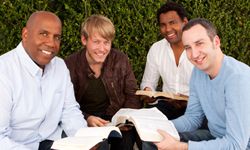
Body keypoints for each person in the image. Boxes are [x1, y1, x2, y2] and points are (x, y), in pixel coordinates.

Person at [155, 18, 250, 149]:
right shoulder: (198, 73)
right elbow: (193, 118)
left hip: (240, 146)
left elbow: (236, 145)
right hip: (215, 137)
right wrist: (159, 125)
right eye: (188, 47)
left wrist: (182, 147)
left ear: (216, 42)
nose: (194, 54)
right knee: (156, 139)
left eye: (199, 43)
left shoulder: (238, 78)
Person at [0, 11, 87, 150]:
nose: (51, 43)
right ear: (25, 34)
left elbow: (69, 111)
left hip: (51, 141)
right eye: (44, 34)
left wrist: (85, 141)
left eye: (57, 37)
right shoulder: (4, 71)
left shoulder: (59, 66)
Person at [64, 14, 142, 150]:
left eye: (106, 43)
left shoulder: (120, 59)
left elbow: (132, 93)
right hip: (86, 119)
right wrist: (86, 118)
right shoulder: (70, 64)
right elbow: (65, 105)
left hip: (116, 118)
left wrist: (125, 119)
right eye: (96, 42)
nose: (102, 49)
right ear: (84, 40)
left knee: (125, 143)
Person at [140, 1, 193, 119]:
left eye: (172, 23)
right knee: (144, 123)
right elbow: (148, 82)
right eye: (163, 25)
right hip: (166, 105)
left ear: (185, 22)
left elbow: (211, 89)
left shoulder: (198, 48)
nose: (167, 29)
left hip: (195, 107)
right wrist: (148, 91)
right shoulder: (156, 49)